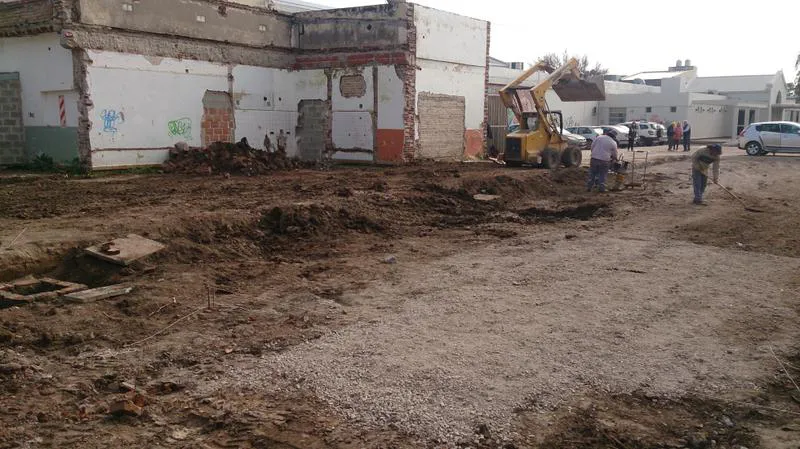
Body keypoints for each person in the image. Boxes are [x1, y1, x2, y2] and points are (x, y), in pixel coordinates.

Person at [586, 129, 619, 193]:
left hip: (594, 158)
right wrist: (615, 158)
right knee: (602, 174)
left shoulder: (599, 137)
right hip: (604, 160)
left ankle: (589, 187)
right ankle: (601, 188)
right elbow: (614, 153)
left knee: (592, 173)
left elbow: (592, 146)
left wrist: (594, 154)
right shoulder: (613, 142)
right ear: (614, 137)